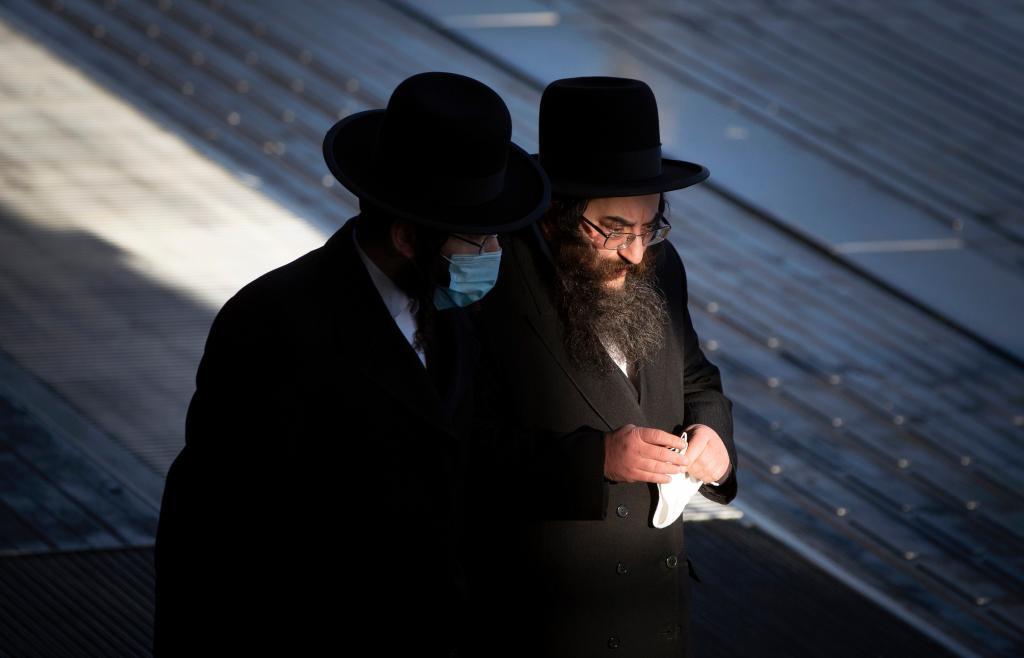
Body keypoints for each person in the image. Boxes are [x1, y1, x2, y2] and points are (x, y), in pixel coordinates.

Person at [152, 71, 552, 657]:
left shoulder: (454, 308)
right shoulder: (273, 326)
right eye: (476, 240)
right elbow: (217, 537)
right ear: (408, 239)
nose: (493, 255)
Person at [461, 76, 739, 658]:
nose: (637, 251)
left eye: (650, 225)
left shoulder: (659, 266)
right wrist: (599, 460)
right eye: (614, 230)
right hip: (544, 618)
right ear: (555, 216)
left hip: (654, 608)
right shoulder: (493, 282)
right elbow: (459, 448)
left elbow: (695, 377)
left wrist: (713, 435)